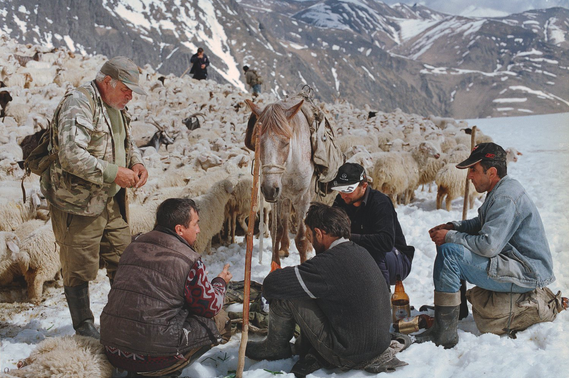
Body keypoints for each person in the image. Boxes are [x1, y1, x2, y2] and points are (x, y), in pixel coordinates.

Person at [40, 56, 148, 339]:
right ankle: (84, 326)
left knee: (123, 259)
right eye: (126, 89)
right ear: (107, 81)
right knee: (78, 267)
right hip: (77, 203)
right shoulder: (79, 103)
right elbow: (71, 155)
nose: (130, 96)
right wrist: (115, 173)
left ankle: (122, 318)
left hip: (111, 200)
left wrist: (136, 163)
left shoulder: (116, 106)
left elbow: (126, 141)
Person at [418, 142, 555, 348]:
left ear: (492, 172)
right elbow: (482, 224)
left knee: (450, 253)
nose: (469, 176)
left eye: (473, 170)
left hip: (526, 271)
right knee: (448, 240)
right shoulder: (501, 189)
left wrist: (451, 236)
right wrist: (454, 227)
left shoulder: (506, 197)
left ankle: (444, 333)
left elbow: (488, 246)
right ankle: (457, 309)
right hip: (514, 260)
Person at [246, 203, 404, 377]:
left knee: (287, 295)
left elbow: (272, 285)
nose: (311, 242)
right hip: (377, 345)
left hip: (349, 354)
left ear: (319, 234)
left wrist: (288, 275)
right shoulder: (360, 252)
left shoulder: (327, 263)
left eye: (310, 235)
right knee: (308, 290)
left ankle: (274, 348)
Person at [101, 198, 232, 377]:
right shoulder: (188, 259)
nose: (199, 230)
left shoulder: (133, 245)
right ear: (179, 229)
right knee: (219, 319)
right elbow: (210, 307)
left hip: (113, 349)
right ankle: (167, 370)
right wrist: (220, 282)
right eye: (195, 224)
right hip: (152, 356)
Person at [331, 162, 415, 287]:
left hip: (395, 259)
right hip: (359, 254)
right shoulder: (341, 201)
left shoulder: (380, 203)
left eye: (348, 190)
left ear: (364, 186)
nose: (343, 195)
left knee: (372, 252)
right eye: (339, 190)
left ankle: (382, 301)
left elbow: (385, 242)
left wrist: (349, 237)